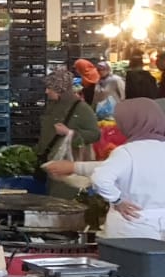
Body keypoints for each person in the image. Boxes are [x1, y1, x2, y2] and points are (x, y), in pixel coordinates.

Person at [46, 98, 165, 239]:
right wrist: (74, 167)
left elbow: (101, 178)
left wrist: (117, 201)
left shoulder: (126, 152)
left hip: (130, 226)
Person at [34, 68, 100, 199]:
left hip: (69, 168)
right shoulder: (52, 105)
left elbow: (95, 134)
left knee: (64, 202)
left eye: (50, 88)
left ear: (61, 90)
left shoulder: (81, 109)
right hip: (52, 164)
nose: (46, 92)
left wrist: (70, 133)